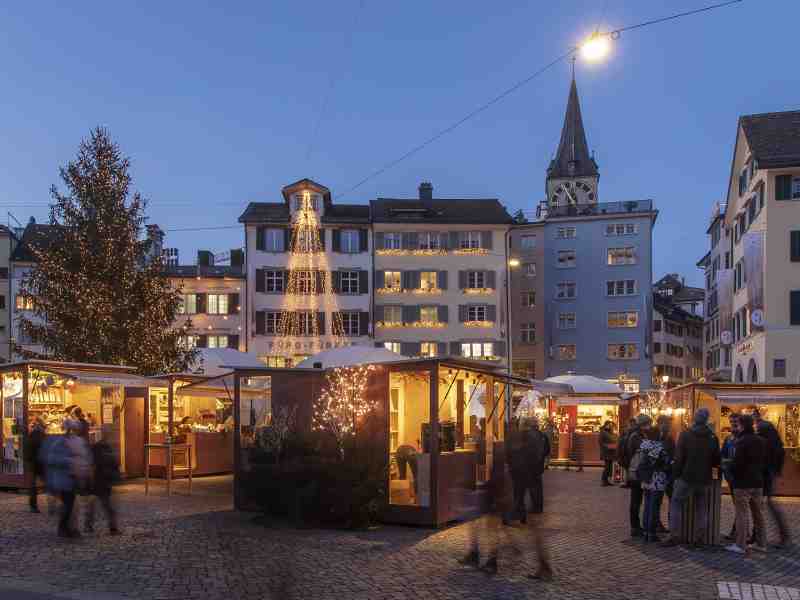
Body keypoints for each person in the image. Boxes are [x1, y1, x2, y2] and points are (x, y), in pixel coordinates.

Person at [662, 408, 721, 549]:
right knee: (702, 507)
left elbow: (679, 458)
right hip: (704, 478)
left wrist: (675, 476)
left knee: (676, 504)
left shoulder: (685, 434)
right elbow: (716, 460)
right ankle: (699, 538)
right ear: (707, 420)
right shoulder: (713, 437)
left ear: (695, 418)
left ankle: (674, 535)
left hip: (686, 477)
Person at [726, 413, 767, 555]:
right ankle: (761, 543)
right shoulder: (761, 440)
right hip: (758, 482)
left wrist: (729, 468)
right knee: (758, 514)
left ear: (742, 425)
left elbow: (737, 463)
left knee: (742, 514)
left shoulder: (741, 441)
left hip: (742, 483)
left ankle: (740, 544)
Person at [755, 418, 790, 548]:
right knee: (767, 504)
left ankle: (783, 536)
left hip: (767, 476)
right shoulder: (776, 444)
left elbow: (765, 461)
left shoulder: (766, 443)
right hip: (771, 475)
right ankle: (783, 536)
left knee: (765, 504)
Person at [639, 426, 671, 543]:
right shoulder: (659, 447)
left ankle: (646, 531)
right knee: (654, 507)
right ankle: (652, 533)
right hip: (657, 479)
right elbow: (666, 463)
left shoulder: (644, 445)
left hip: (646, 479)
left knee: (647, 505)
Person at [85, 437, 121, 535]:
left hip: (98, 483)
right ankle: (113, 528)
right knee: (108, 507)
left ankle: (88, 525)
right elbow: (115, 467)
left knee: (93, 505)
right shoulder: (107, 452)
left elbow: (91, 468)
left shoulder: (95, 451)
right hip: (103, 484)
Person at [625, 414, 651, 538]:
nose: (649, 426)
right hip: (636, 472)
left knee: (637, 500)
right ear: (642, 425)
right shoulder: (636, 437)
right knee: (636, 501)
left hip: (639, 471)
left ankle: (636, 526)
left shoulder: (639, 435)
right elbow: (647, 449)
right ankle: (635, 527)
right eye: (647, 424)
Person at [721, 413, 742, 542]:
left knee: (741, 506)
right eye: (731, 421)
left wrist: (729, 461)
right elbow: (722, 455)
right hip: (731, 477)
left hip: (741, 477)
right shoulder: (728, 439)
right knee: (738, 505)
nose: (733, 423)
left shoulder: (744, 438)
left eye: (736, 421)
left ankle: (739, 532)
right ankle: (738, 531)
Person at [24, 418, 47, 513]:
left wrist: (27, 460)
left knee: (32, 486)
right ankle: (58, 500)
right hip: (41, 462)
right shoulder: (44, 436)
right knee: (48, 481)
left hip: (32, 463)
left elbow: (27, 450)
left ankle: (33, 505)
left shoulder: (30, 436)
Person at [617, 419, 637, 488]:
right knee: (627, 469)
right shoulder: (629, 433)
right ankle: (628, 482)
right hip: (626, 454)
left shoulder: (632, 433)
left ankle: (629, 482)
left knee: (628, 469)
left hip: (627, 454)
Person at [599, 421, 617, 487]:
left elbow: (614, 439)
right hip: (606, 452)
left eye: (611, 425)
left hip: (611, 451)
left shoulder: (610, 432)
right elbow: (601, 442)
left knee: (609, 467)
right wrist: (607, 446)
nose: (611, 426)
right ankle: (603, 480)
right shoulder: (603, 432)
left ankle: (607, 481)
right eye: (609, 425)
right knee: (607, 467)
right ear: (606, 425)